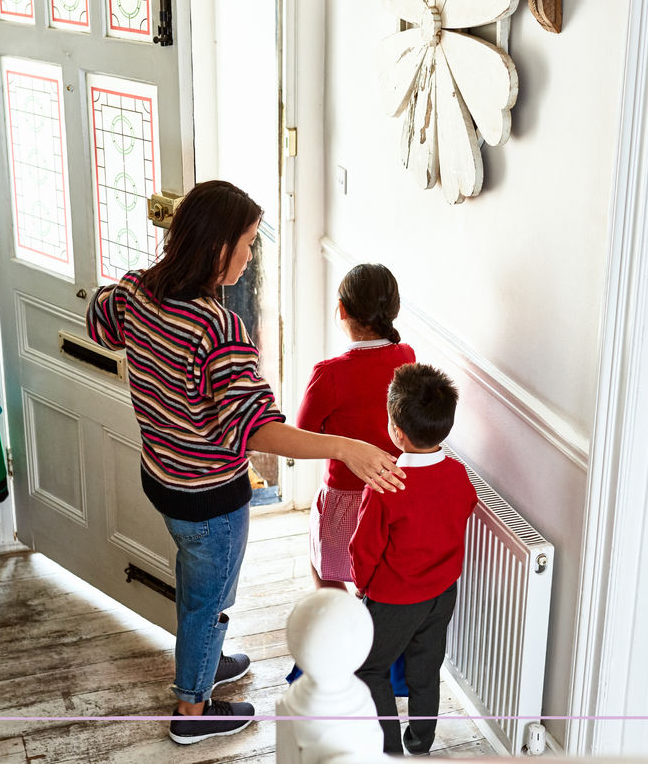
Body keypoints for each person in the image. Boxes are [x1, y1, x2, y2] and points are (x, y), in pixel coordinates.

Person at [86, 180, 407, 745]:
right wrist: (343, 447)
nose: (252, 254)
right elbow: (258, 429)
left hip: (162, 477)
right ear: (218, 251)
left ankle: (203, 662)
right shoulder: (217, 330)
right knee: (209, 602)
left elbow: (99, 319)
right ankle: (192, 712)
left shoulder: (135, 292)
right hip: (209, 496)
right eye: (249, 242)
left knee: (195, 582)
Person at [350, 363, 478, 756]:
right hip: (443, 593)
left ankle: (388, 748)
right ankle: (420, 743)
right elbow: (464, 508)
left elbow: (363, 549)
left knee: (369, 668)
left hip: (395, 599)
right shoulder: (458, 474)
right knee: (425, 670)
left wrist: (362, 586)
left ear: (395, 431)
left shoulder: (386, 485)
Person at [297, 264, 415, 591]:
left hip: (345, 497)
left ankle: (340, 633)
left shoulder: (329, 374)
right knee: (371, 574)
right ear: (394, 310)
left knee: (328, 573)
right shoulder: (406, 355)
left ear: (342, 309)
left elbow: (302, 432)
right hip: (392, 494)